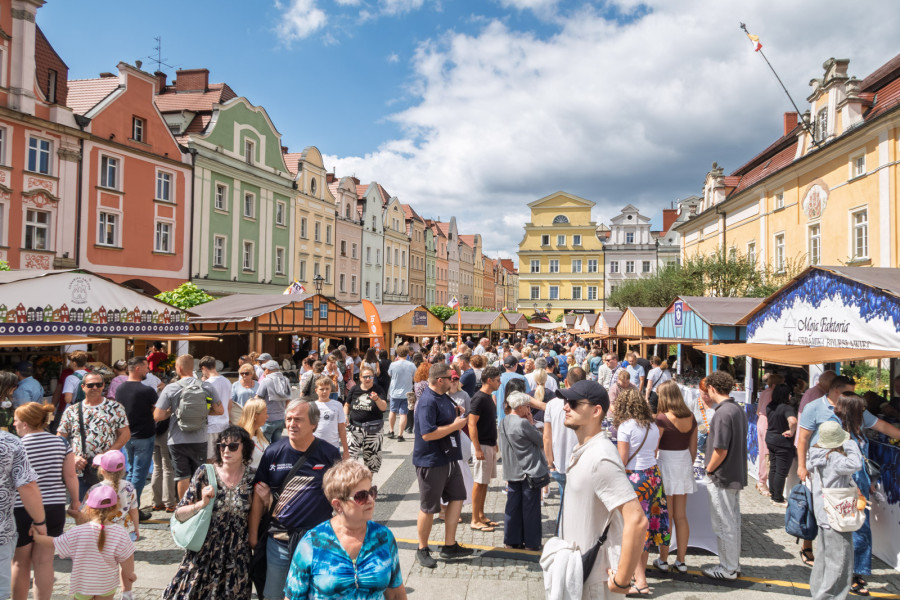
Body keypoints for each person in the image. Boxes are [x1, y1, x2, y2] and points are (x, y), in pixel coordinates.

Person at [796, 375, 900, 568]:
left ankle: (856, 570)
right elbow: (803, 439)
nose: (853, 395)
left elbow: (882, 425)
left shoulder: (855, 408)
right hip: (826, 475)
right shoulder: (814, 408)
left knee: (858, 522)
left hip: (855, 474)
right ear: (836, 391)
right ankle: (829, 563)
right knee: (828, 520)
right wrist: (802, 466)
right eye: (848, 392)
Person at [557, 379, 648, 598]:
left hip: (595, 579)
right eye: (566, 401)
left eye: (574, 402)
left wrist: (623, 579)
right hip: (580, 571)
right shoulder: (585, 448)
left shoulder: (601, 456)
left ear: (596, 411)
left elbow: (637, 520)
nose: (565, 407)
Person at [249, 400, 339, 600]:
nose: (291, 424)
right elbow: (257, 496)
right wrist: (253, 535)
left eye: (298, 419)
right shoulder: (272, 452)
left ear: (313, 424)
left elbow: (340, 498)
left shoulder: (329, 454)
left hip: (317, 542)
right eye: (288, 419)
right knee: (273, 595)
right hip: (279, 541)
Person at [284, 460, 407, 600]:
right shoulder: (312, 543)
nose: (371, 500)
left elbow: (396, 593)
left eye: (372, 492)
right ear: (338, 505)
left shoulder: (383, 537)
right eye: (361, 496)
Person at [163, 426, 257, 600]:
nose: (226, 450)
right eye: (222, 446)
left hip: (237, 557)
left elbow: (257, 516)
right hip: (205, 553)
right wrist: (201, 504)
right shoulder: (205, 473)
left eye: (233, 446)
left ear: (245, 448)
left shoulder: (252, 478)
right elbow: (178, 514)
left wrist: (266, 500)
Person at [11, 402, 79, 600]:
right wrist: (75, 501)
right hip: (54, 506)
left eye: (16, 421)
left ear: (24, 423)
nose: (14, 424)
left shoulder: (17, 445)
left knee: (19, 563)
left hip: (21, 507)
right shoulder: (61, 443)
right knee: (45, 562)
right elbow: (70, 476)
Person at [412, 362, 474, 568]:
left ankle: (449, 545)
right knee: (429, 507)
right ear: (440, 380)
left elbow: (443, 419)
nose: (454, 380)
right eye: (450, 378)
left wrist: (455, 411)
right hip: (431, 460)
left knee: (458, 496)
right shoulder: (427, 401)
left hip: (449, 457)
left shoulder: (442, 396)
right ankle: (422, 548)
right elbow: (428, 433)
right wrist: (455, 426)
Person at [31, 485, 136, 600]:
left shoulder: (78, 531)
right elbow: (127, 558)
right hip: (106, 584)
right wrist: (130, 574)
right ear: (115, 508)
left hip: (83, 585)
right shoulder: (119, 532)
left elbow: (54, 542)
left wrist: (37, 537)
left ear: (88, 508)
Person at [613, 388, 669, 594]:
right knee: (644, 528)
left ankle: (640, 581)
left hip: (635, 477)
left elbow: (623, 459)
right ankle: (639, 577)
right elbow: (653, 452)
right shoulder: (652, 425)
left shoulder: (625, 427)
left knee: (634, 528)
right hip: (653, 475)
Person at [154, 355, 223, 499]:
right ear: (193, 368)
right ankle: (200, 506)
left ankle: (184, 508)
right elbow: (219, 410)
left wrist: (173, 411)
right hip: (200, 438)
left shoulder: (171, 388)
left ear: (178, 368)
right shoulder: (206, 386)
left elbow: (157, 416)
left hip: (177, 439)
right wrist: (203, 412)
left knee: (182, 476)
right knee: (199, 475)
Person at [807, 421, 863, 600]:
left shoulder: (816, 453)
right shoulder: (835, 458)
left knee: (824, 557)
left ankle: (818, 591)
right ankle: (828, 596)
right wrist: (851, 443)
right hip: (837, 513)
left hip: (823, 510)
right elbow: (856, 464)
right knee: (839, 560)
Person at [701, 371, 747, 580]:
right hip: (733, 474)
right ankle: (732, 565)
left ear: (711, 388)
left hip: (722, 475)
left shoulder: (723, 413)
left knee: (723, 523)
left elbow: (720, 449)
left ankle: (728, 568)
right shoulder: (736, 409)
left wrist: (709, 469)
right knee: (731, 522)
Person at [57, 372, 131, 500]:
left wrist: (107, 454)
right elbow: (60, 438)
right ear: (83, 387)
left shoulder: (115, 408)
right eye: (91, 385)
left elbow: (125, 434)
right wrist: (73, 457)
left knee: (107, 509)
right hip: (81, 469)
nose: (95, 388)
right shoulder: (72, 410)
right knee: (82, 510)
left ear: (103, 386)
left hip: (107, 469)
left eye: (99, 384)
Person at [653, 380, 697, 573]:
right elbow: (694, 450)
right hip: (684, 463)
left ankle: (663, 559)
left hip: (667, 464)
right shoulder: (691, 416)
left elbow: (654, 448)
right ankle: (681, 560)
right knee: (681, 516)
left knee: (667, 516)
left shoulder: (662, 418)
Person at [498, 391, 548, 551]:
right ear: (519, 407)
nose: (529, 410)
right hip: (528, 471)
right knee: (530, 509)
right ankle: (532, 543)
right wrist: (531, 421)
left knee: (513, 508)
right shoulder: (523, 423)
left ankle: (512, 541)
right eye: (527, 406)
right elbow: (541, 441)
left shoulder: (503, 422)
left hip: (512, 470)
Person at [115, 356, 158, 510]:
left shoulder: (120, 389)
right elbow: (157, 411)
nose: (148, 370)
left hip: (127, 435)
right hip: (144, 435)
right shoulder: (147, 390)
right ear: (138, 368)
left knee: (132, 470)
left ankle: (126, 503)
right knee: (139, 474)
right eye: (146, 367)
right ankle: (132, 506)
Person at [468, 365, 501, 532]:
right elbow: (471, 423)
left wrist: (494, 441)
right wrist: (477, 447)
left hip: (489, 443)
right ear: (489, 380)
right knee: (479, 482)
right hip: (481, 445)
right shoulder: (479, 398)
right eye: (497, 380)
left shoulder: (488, 397)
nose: (500, 383)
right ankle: (474, 519)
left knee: (485, 482)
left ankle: (481, 515)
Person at [345, 366, 388, 473]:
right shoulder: (354, 389)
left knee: (371, 463)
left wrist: (377, 399)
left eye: (370, 377)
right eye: (365, 377)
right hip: (355, 429)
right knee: (350, 459)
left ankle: (367, 486)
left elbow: (383, 408)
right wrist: (345, 415)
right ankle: (352, 486)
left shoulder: (378, 390)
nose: (368, 379)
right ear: (360, 377)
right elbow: (347, 404)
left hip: (373, 430)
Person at [765, 383, 796, 505]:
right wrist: (792, 431)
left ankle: (773, 493)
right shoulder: (786, 408)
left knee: (773, 467)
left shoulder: (770, 406)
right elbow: (793, 421)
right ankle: (777, 497)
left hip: (771, 438)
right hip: (783, 441)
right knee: (781, 471)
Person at [755, 373, 784, 495]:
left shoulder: (765, 392)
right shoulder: (773, 394)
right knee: (767, 453)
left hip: (761, 420)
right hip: (768, 422)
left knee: (763, 452)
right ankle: (763, 482)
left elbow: (758, 410)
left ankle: (761, 480)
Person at [312, 375, 350, 461]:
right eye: (321, 389)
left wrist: (346, 451)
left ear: (331, 390)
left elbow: (341, 429)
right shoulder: (311, 406)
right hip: (315, 447)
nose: (324, 391)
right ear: (316, 390)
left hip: (333, 447)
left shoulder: (338, 405)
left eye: (327, 388)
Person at [256, 360, 292, 443]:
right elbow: (288, 401)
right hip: (280, 418)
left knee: (264, 444)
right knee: (277, 445)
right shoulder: (285, 380)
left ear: (268, 370)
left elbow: (258, 398)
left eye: (265, 369)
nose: (264, 371)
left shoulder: (266, 380)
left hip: (268, 419)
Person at [387, 346, 416, 441]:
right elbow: (414, 377)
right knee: (403, 414)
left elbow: (389, 374)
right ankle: (400, 435)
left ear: (397, 353)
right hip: (407, 392)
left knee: (392, 411)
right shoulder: (411, 365)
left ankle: (391, 431)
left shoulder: (393, 364)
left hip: (394, 392)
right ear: (407, 353)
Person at [238, 397, 270, 469]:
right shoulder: (241, 438)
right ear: (255, 416)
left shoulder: (259, 434)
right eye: (265, 413)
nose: (267, 416)